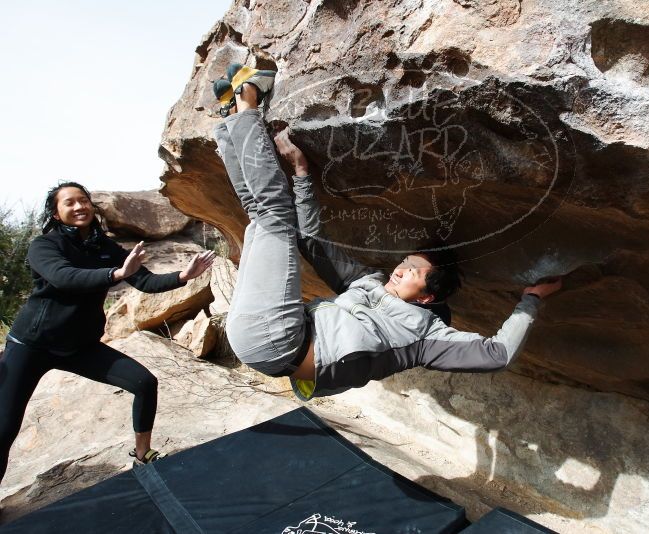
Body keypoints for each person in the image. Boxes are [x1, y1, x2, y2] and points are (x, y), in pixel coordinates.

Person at [211, 73, 562, 402]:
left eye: (413, 271)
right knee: (262, 215)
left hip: (280, 342)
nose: (400, 268)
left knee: (274, 212)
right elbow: (312, 242)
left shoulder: (423, 337)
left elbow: (497, 354)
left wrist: (530, 300)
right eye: (405, 262)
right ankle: (230, 121)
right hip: (271, 331)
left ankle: (247, 104)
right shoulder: (366, 283)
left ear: (427, 297)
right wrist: (302, 174)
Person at [0, 182, 215, 486]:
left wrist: (183, 276)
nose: (79, 207)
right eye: (70, 203)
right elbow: (64, 278)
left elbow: (145, 282)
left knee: (144, 383)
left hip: (80, 346)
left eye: (83, 200)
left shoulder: (106, 247)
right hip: (33, 345)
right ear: (57, 214)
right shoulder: (44, 246)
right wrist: (115, 274)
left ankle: (142, 456)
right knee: (4, 428)